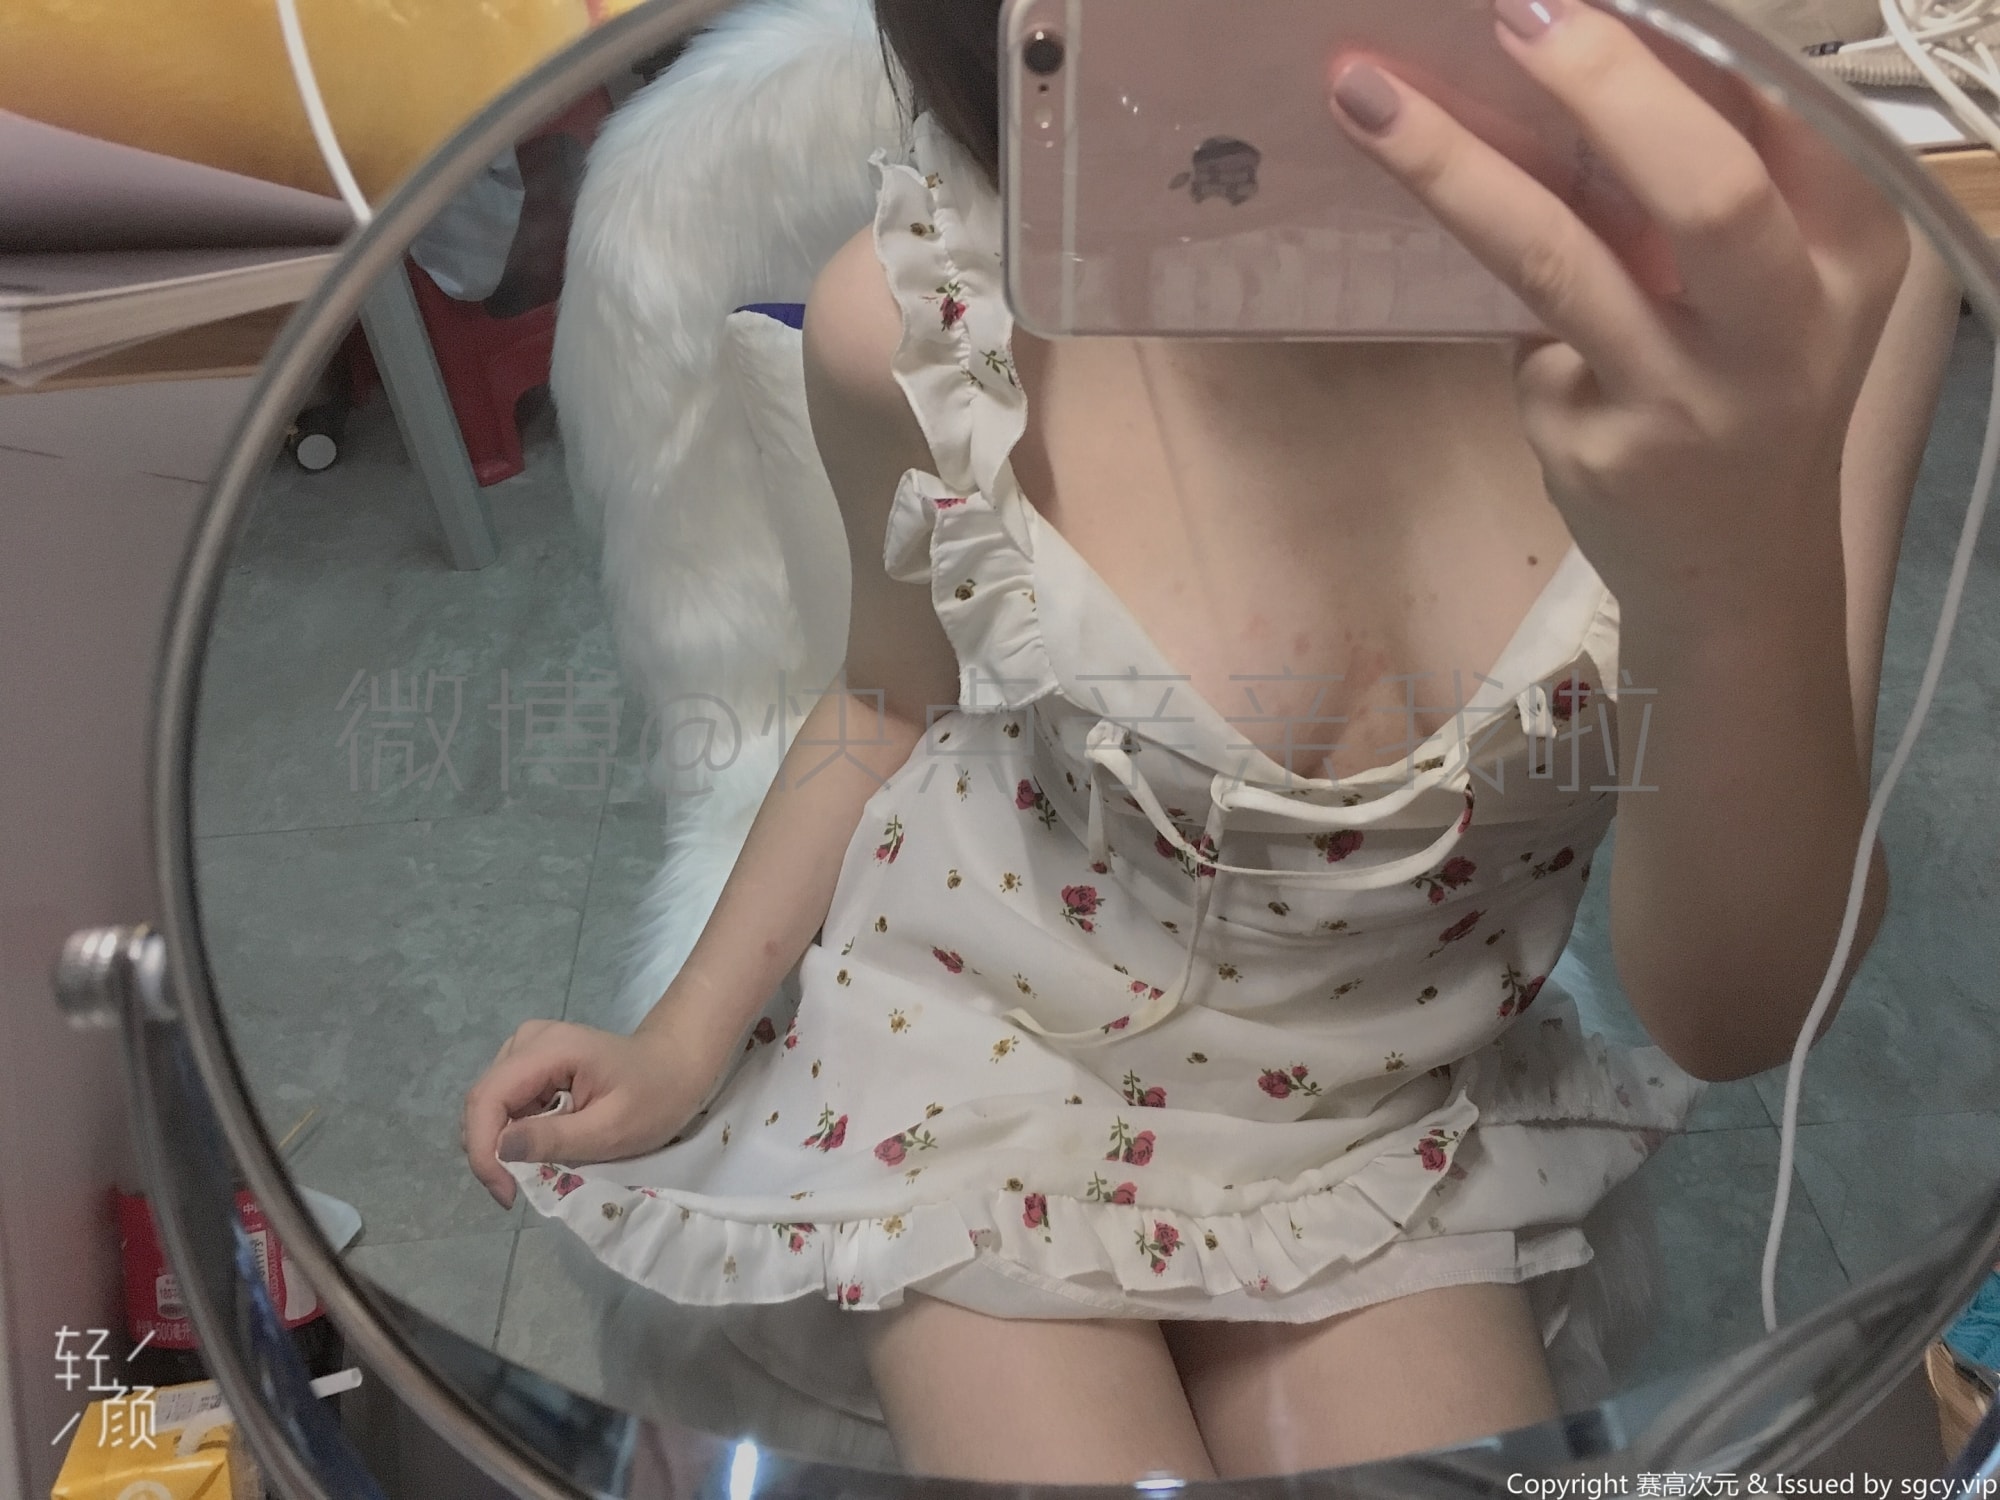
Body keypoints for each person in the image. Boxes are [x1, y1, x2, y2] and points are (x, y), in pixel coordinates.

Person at [462, 0, 1962, 1481]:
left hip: (1375, 1115)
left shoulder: (1801, 278)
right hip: (977, 1047)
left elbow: (1738, 1015)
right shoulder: (930, 318)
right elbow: (887, 697)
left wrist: (1730, 566)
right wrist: (684, 1037)